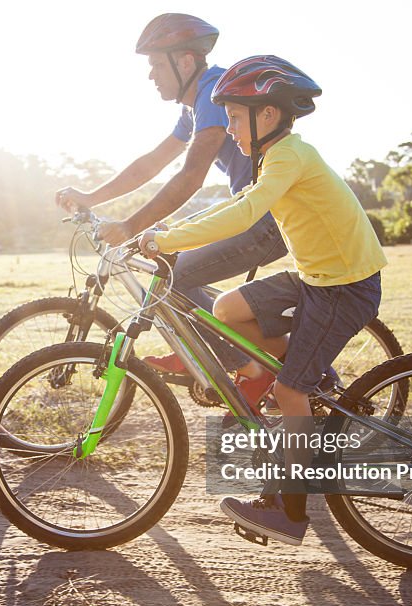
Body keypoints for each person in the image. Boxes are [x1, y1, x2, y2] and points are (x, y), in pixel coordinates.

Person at [137, 55, 388, 546]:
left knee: (291, 394)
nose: (228, 127)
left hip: (344, 286)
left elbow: (249, 211)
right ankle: (292, 372)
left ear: (266, 115)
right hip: (317, 278)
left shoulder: (290, 155)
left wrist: (170, 242)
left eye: (233, 116)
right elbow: (237, 203)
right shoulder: (275, 157)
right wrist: (171, 231)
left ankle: (290, 512)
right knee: (226, 309)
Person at [55, 14, 287, 383]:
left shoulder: (214, 92)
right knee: (171, 261)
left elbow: (192, 175)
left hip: (267, 221)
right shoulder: (195, 105)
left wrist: (132, 225)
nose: (150, 75)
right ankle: (219, 350)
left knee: (175, 278)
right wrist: (90, 197)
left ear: (185, 62)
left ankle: (247, 368)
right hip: (250, 212)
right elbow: (151, 164)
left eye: (156, 64)